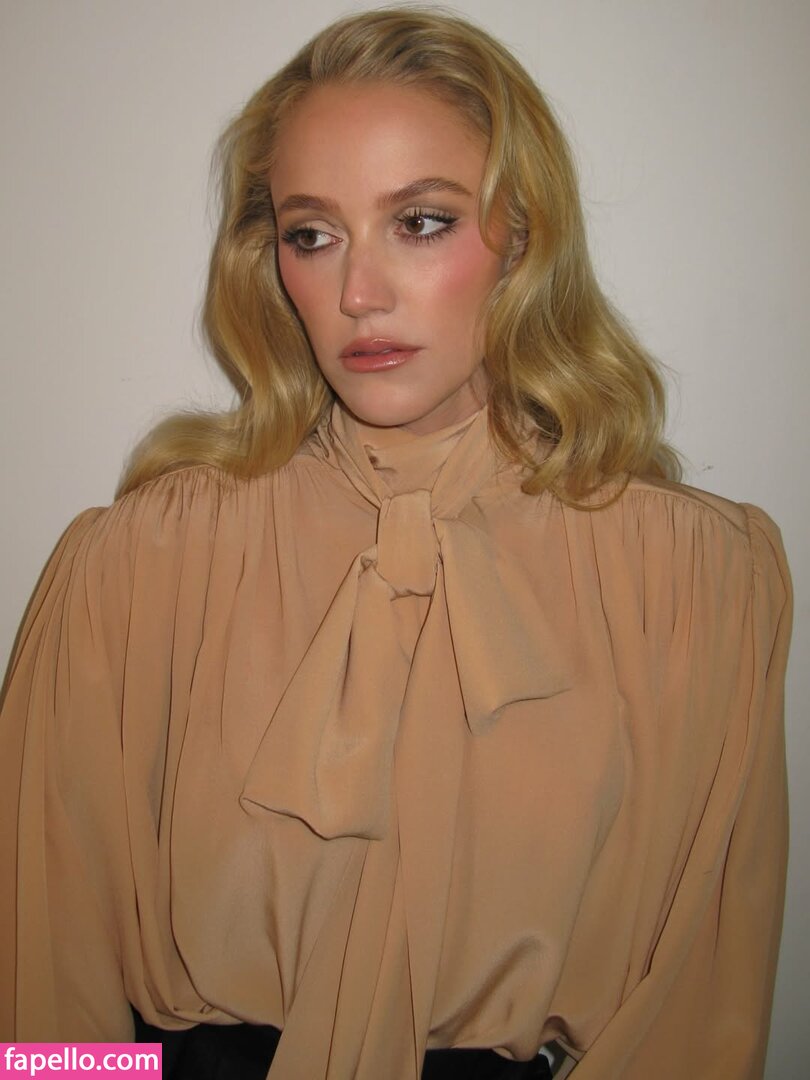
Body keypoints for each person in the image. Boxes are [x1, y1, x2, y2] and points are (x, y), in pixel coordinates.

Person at [0, 7, 791, 1080]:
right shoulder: (139, 568)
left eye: (420, 222)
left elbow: (693, 1028)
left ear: (523, 237)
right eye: (312, 235)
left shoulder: (689, 586)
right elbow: (44, 1028)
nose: (358, 294)